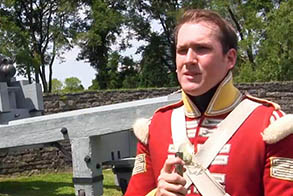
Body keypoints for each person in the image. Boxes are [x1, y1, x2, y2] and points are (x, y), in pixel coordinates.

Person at [125, 9, 293, 196]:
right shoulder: (156, 126)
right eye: (182, 50)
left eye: (201, 49)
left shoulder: (270, 126)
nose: (189, 60)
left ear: (230, 58)